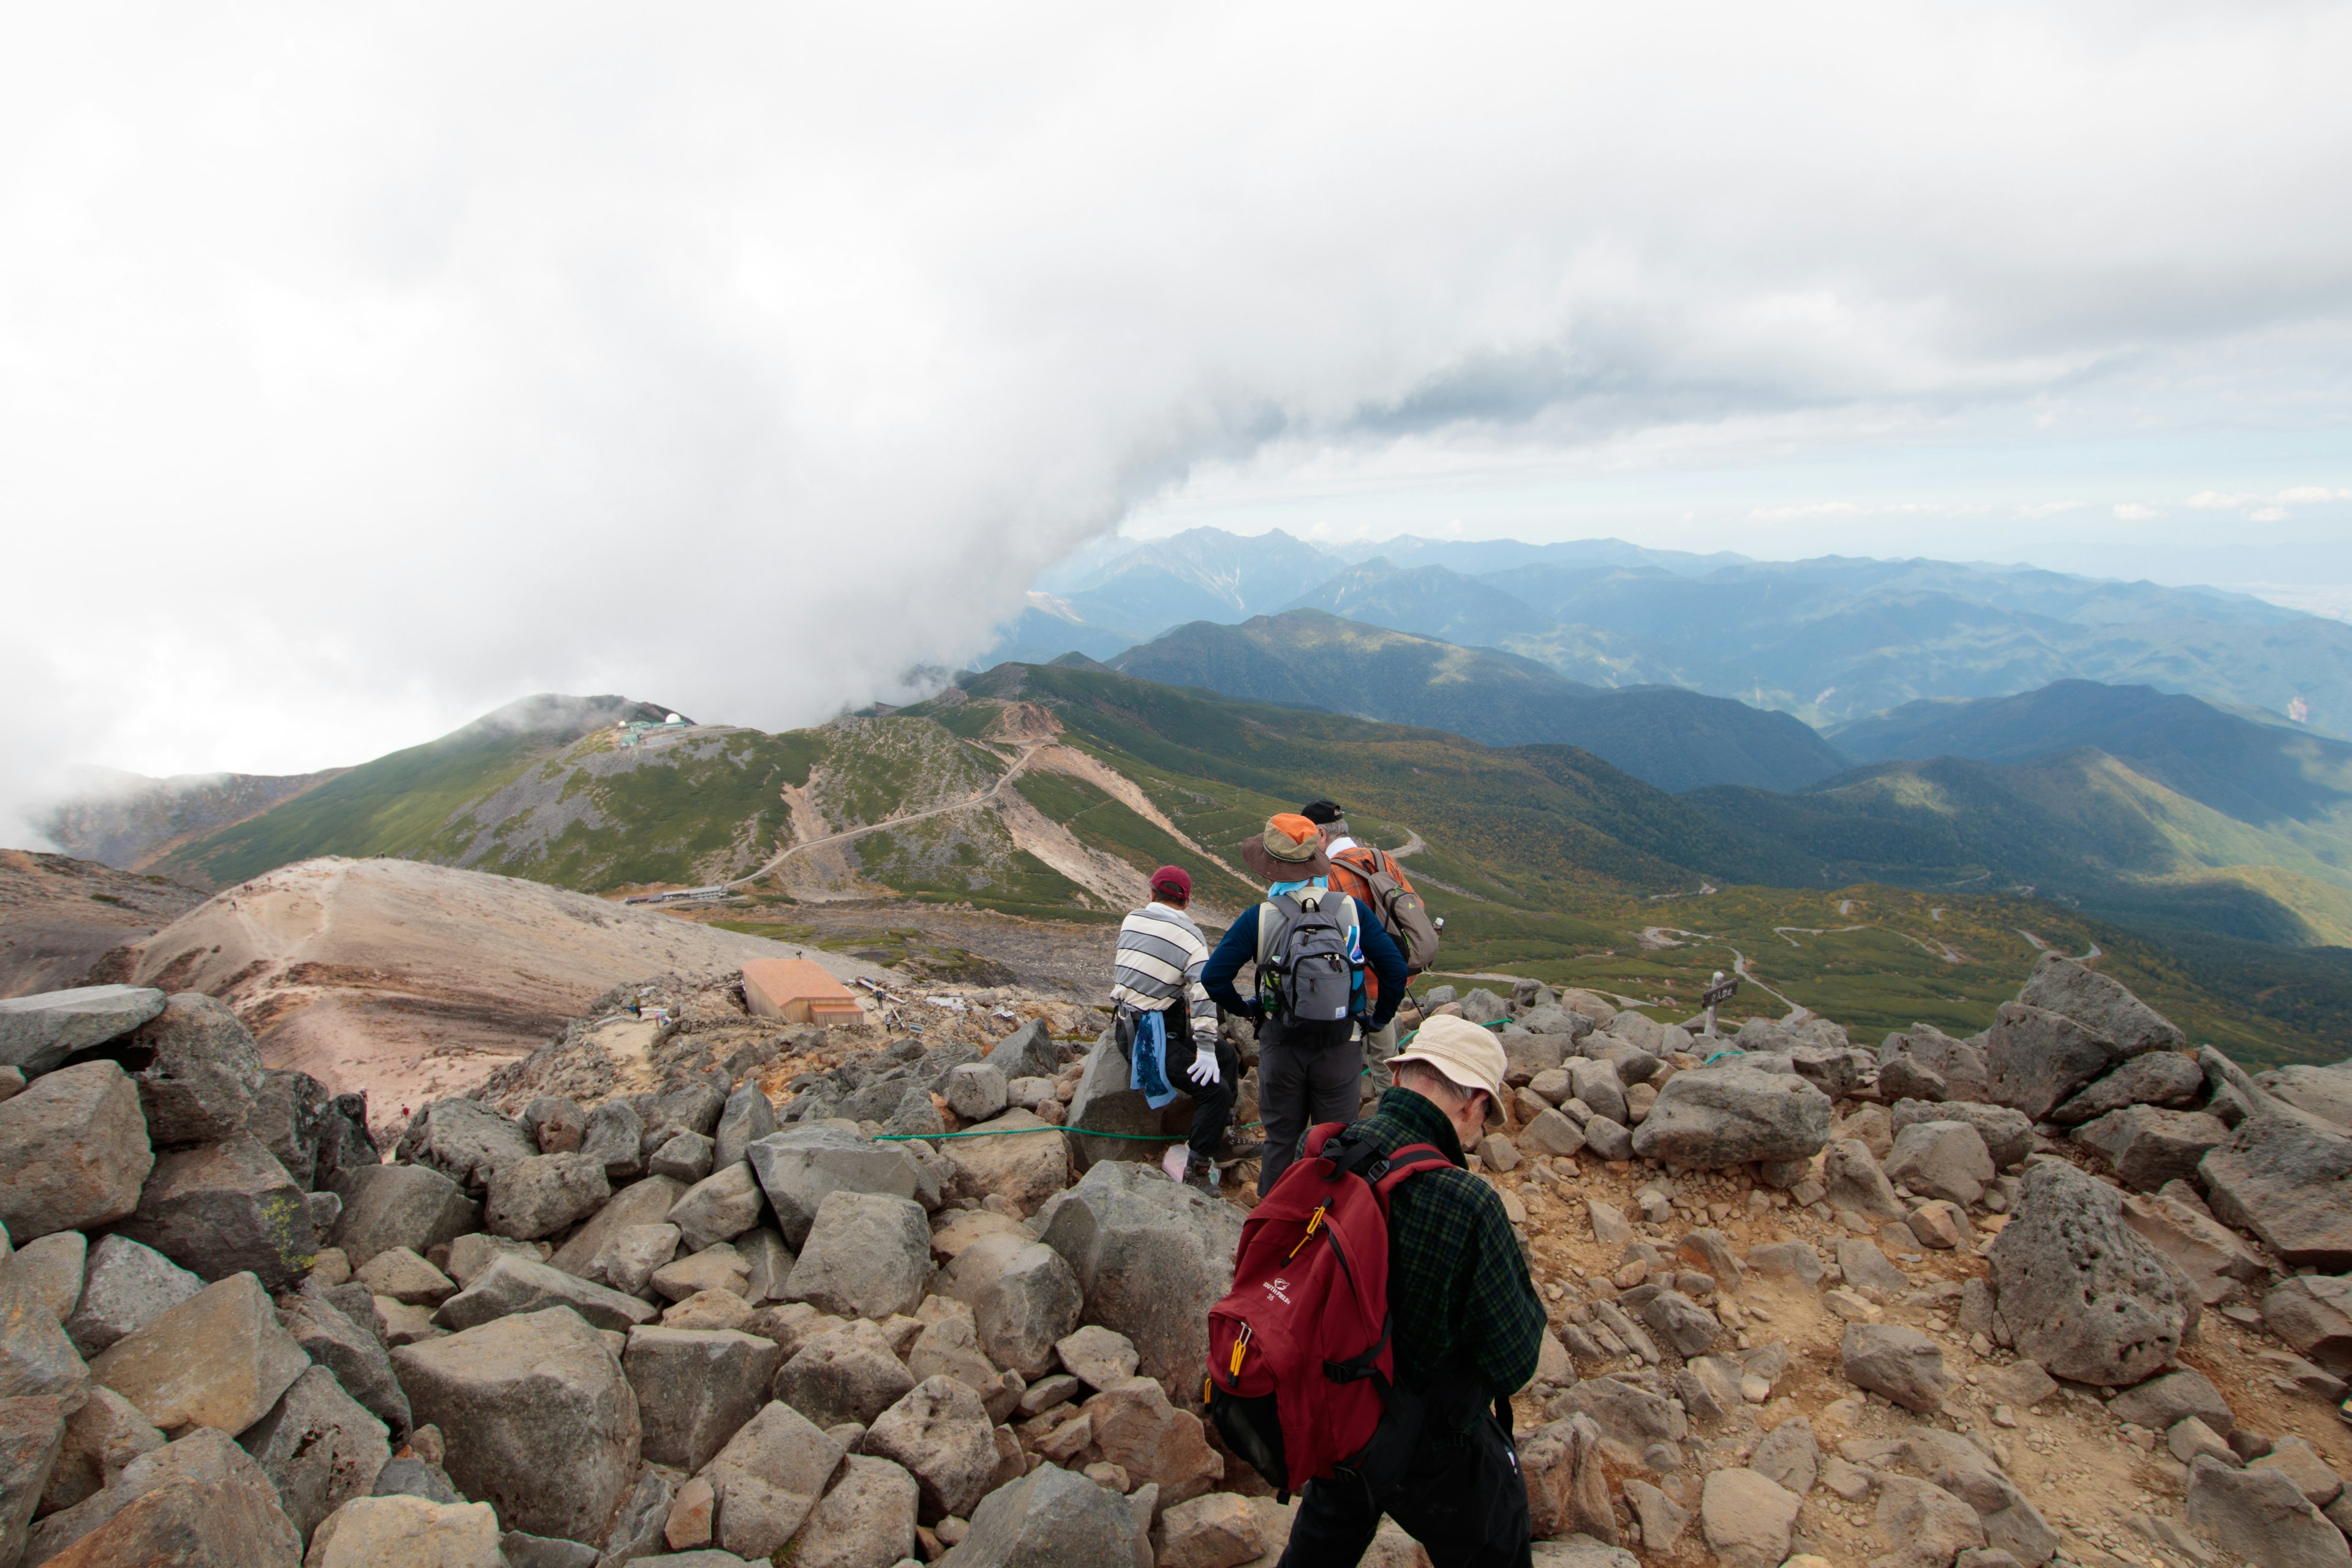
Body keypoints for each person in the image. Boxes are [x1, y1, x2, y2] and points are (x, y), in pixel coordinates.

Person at [1276, 1014, 1545, 1568]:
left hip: (1340, 1408)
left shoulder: (1324, 1149)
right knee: (1499, 1530)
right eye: (1484, 1116)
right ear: (1471, 1105)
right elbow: (1513, 1362)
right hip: (1432, 1442)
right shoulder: (1467, 1203)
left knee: (1323, 1540)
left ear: (1398, 1079)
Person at [1203, 813, 1407, 1194]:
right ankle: (1330, 1228)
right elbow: (1395, 968)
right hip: (1341, 1043)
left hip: (1282, 1044)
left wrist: (1249, 1009)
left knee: (1281, 1142)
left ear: (1270, 870)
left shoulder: (1259, 918)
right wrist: (1378, 1019)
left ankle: (1274, 1227)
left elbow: (1214, 978)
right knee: (1336, 1144)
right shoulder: (1350, 910)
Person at [1110, 865, 1237, 1189]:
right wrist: (1205, 1047)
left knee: (1227, 1057)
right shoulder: (1191, 937)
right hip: (1150, 1037)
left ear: (1152, 893)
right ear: (1187, 901)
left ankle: (1220, 1138)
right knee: (1216, 1091)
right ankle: (1197, 1169)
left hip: (1133, 1026)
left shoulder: (1132, 918)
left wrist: (1211, 1050)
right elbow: (1204, 991)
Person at [1297, 797, 1425, 1069]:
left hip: (1359, 979)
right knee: (1384, 1047)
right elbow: (1416, 905)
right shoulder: (1382, 858)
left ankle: (1375, 1101)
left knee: (1371, 1059)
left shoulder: (1327, 875)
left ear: (1321, 834)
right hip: (1393, 968)